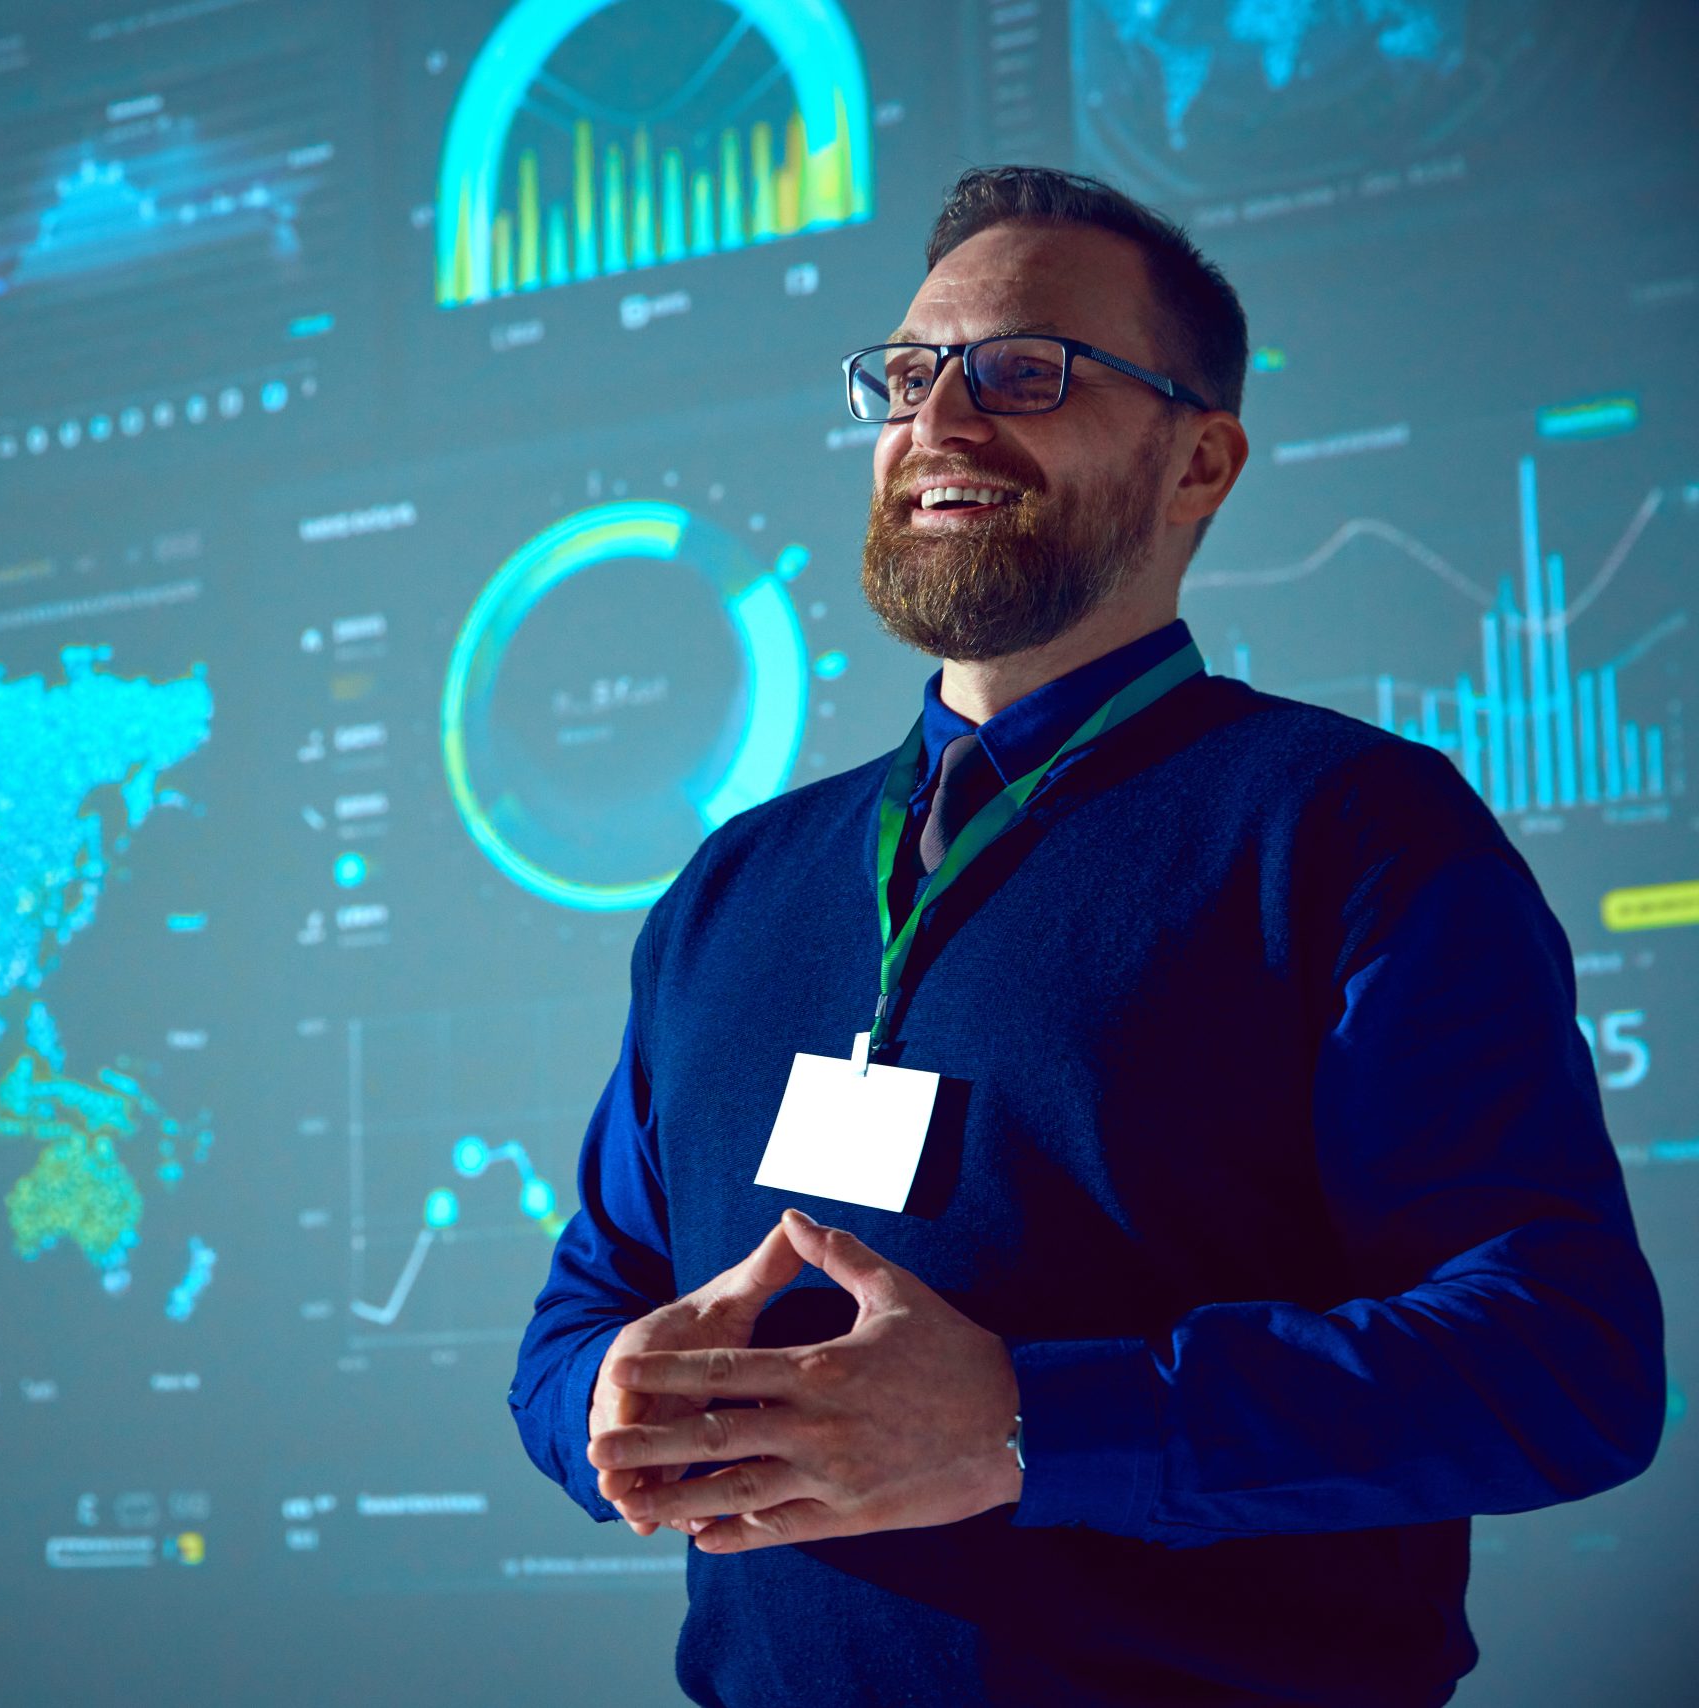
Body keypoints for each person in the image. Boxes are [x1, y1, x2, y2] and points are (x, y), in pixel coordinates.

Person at [507, 165, 1667, 1707]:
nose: (940, 423)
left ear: (1201, 461)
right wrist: (608, 1397)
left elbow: (1561, 1364)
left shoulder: (1348, 831)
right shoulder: (734, 885)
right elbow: (577, 1318)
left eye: (1025, 373)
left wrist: (1027, 1429)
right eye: (909, 376)